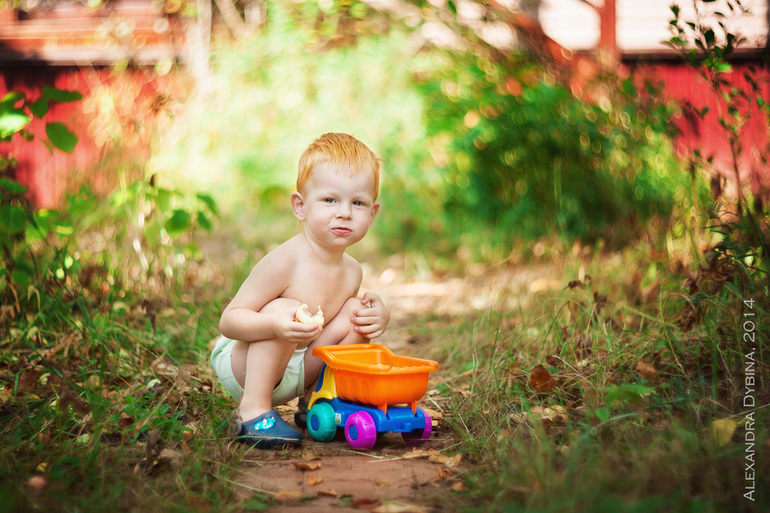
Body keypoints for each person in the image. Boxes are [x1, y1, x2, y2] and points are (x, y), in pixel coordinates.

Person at [211, 133, 390, 448]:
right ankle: (253, 412)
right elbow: (229, 321)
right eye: (330, 200)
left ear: (372, 213)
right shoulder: (285, 261)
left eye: (357, 203)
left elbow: (340, 329)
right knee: (286, 308)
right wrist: (274, 325)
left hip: (298, 365)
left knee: (355, 312)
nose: (345, 212)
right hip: (246, 366)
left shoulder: (353, 271)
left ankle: (320, 402)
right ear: (300, 206)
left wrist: (377, 317)